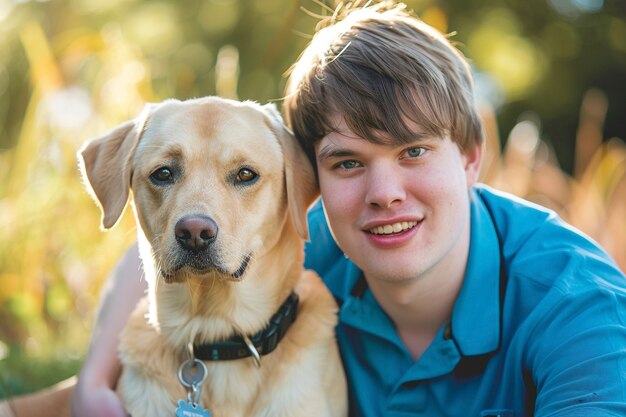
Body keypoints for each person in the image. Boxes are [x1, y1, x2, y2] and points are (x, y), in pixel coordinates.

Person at [6, 1, 626, 416]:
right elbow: (171, 241)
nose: (384, 193)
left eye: (413, 151)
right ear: (311, 180)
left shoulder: (578, 313)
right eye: (349, 162)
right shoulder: (311, 234)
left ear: (470, 156)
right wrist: (92, 381)